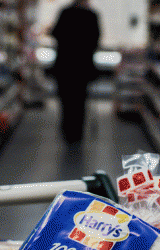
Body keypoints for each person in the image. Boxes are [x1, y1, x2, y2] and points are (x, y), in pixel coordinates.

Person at [50, 0, 101, 144]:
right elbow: (96, 39)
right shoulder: (92, 15)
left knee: (66, 99)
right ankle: (78, 132)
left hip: (65, 65)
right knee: (80, 99)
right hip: (82, 66)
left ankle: (67, 129)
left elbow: (55, 33)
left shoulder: (65, 12)